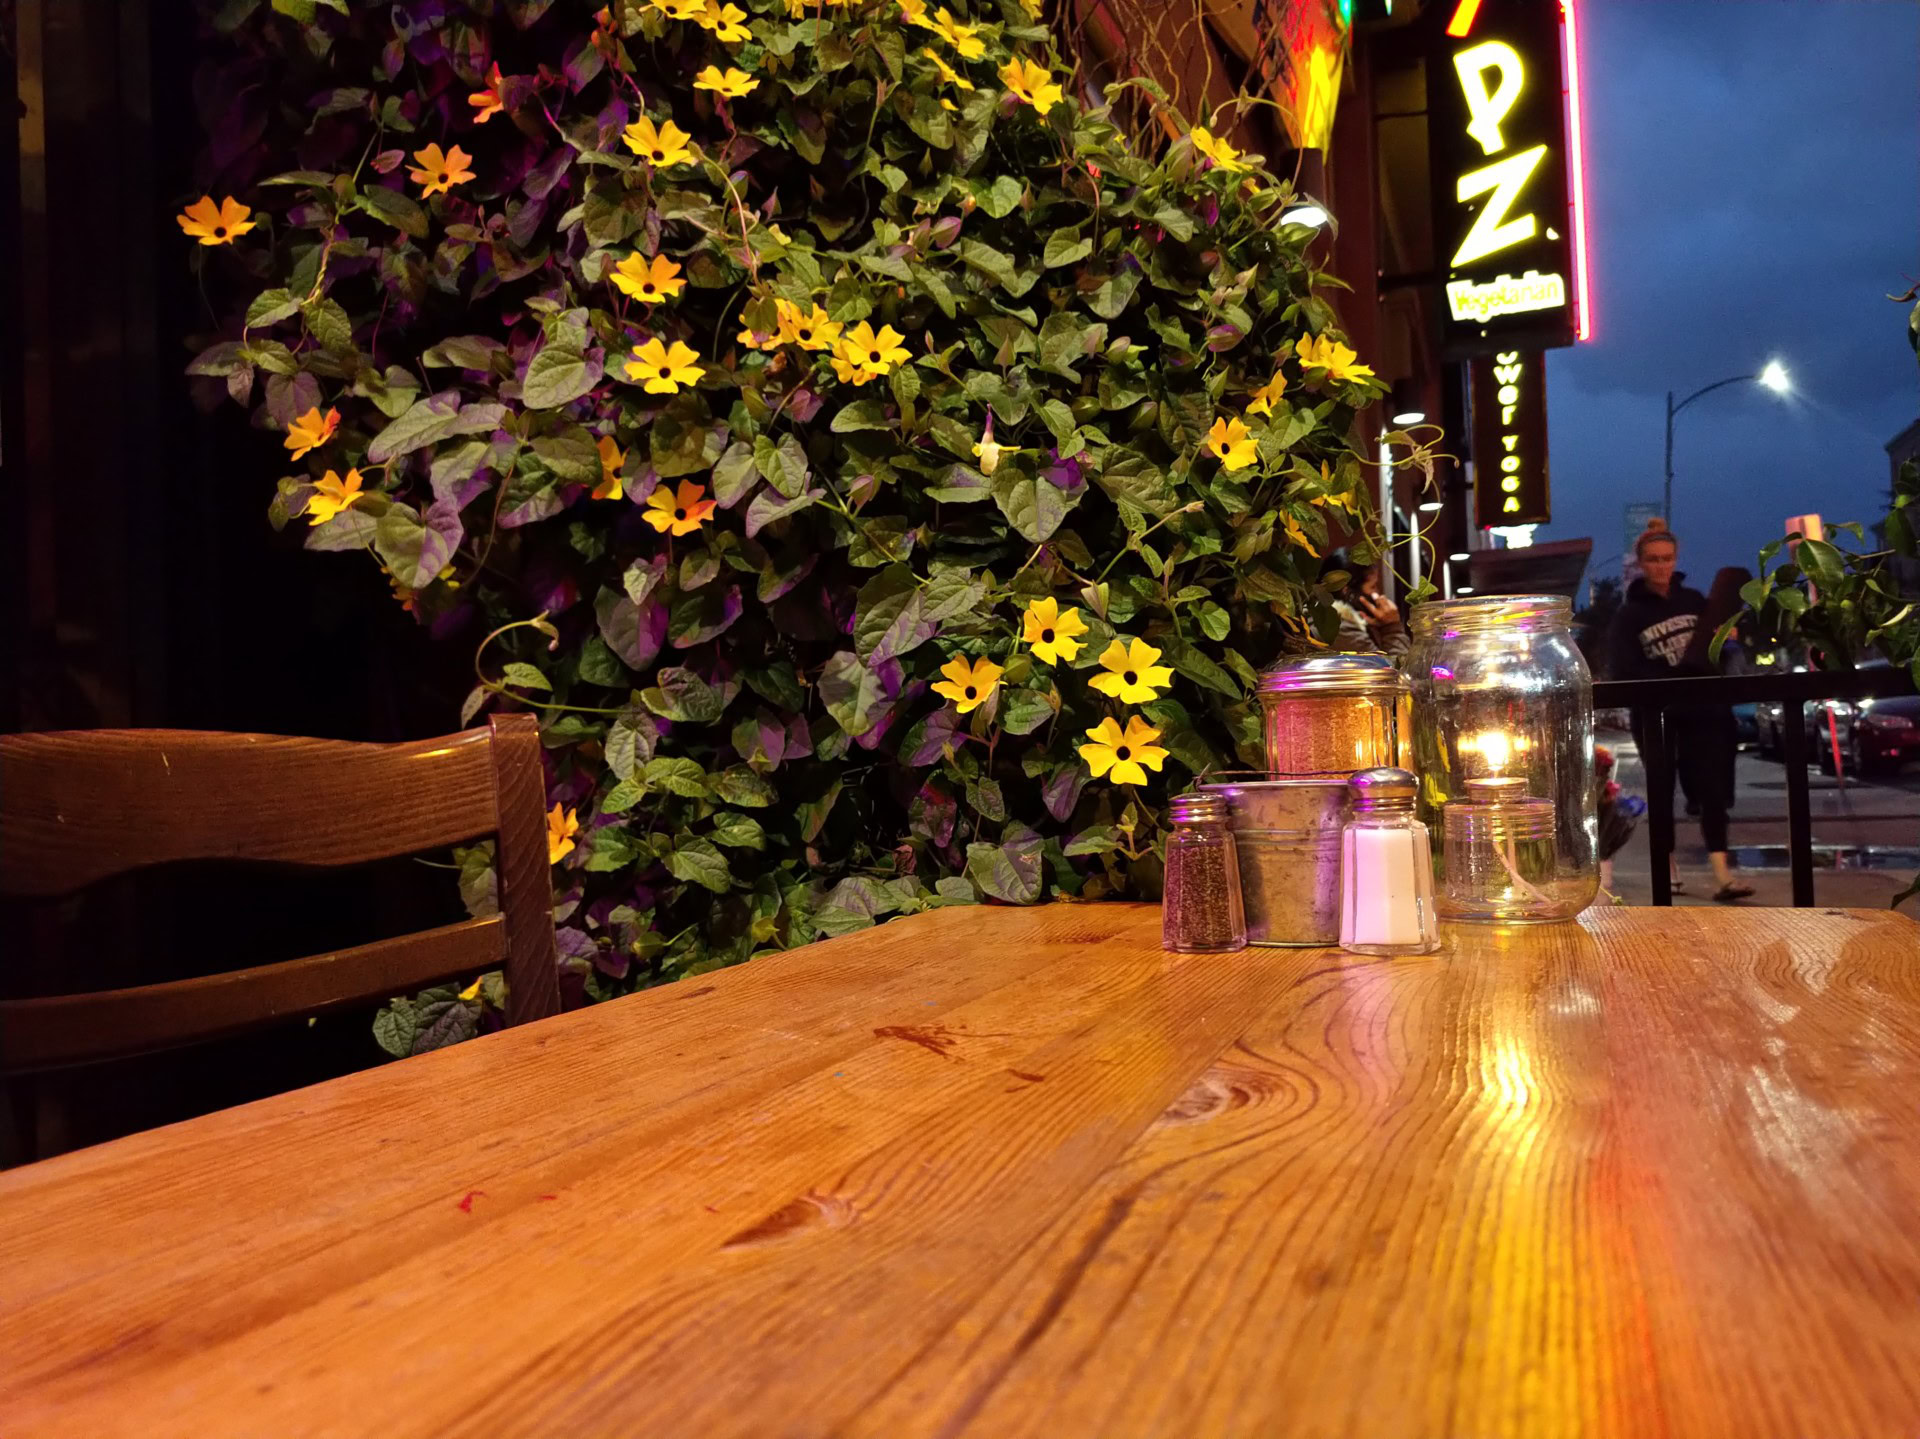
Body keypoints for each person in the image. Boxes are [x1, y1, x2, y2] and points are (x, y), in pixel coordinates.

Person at [1607, 521, 1753, 902]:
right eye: (1654, 559)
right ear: (1641, 563)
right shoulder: (1629, 615)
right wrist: (1665, 677)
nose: (1661, 566)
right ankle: (1667, 869)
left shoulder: (1694, 601)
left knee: (1712, 791)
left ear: (1676, 559)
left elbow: (1716, 652)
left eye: (1667, 558)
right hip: (1657, 716)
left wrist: (1727, 639)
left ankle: (1723, 876)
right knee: (1662, 790)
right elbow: (1623, 668)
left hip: (1702, 711)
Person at [1327, 556, 1409, 659]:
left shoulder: (1339, 621)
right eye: (1373, 586)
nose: (1378, 593)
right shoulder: (1341, 629)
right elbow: (1396, 667)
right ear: (1348, 593)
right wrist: (1392, 627)